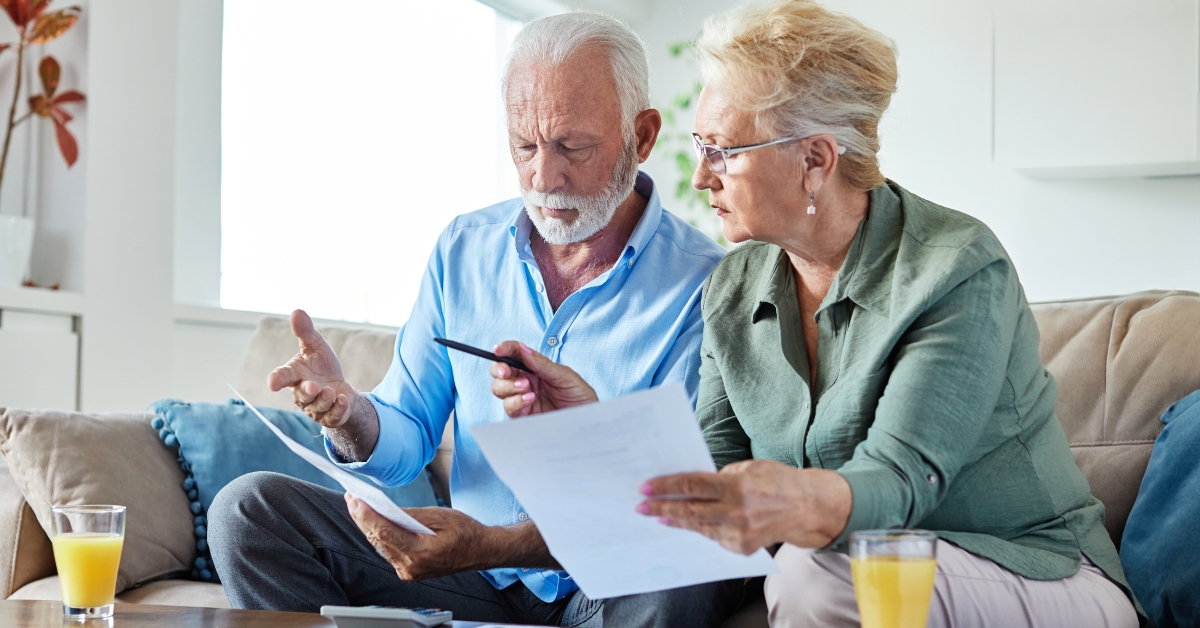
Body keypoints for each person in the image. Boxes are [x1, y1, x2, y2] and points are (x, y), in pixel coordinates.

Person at [489, 1, 1143, 626]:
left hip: (1038, 572)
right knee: (806, 569)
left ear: (815, 160)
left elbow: (901, 482)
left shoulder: (955, 267)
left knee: (818, 574)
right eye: (700, 145)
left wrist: (789, 502)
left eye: (724, 151)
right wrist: (594, 427)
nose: (700, 177)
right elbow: (706, 481)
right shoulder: (732, 288)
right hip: (853, 567)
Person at [206, 11, 739, 628]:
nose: (543, 176)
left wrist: (492, 539)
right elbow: (406, 442)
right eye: (525, 145)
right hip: (465, 581)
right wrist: (351, 413)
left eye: (572, 146)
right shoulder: (463, 249)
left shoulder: (706, 285)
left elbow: (677, 508)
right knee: (248, 511)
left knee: (680, 564)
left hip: (606, 585)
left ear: (642, 137)